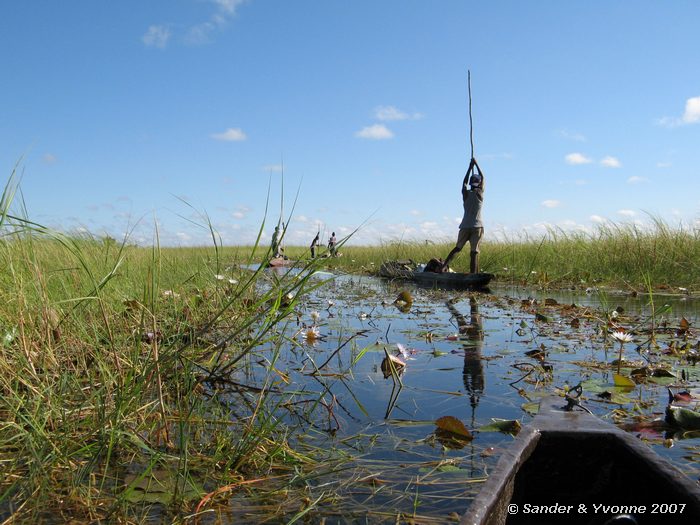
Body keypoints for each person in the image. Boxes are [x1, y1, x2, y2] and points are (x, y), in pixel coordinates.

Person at [442, 158, 485, 273]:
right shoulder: (479, 194)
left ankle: (443, 266)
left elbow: (464, 183)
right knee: (474, 252)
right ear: (479, 183)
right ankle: (473, 274)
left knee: (457, 248)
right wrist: (476, 164)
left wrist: (470, 167)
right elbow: (483, 178)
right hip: (477, 227)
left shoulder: (465, 194)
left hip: (465, 226)